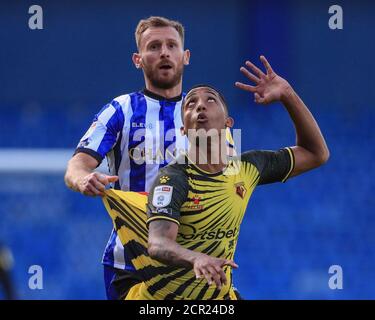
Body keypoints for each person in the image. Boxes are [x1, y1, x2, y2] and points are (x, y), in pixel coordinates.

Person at [102, 55, 329, 299]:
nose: (200, 106)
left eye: (210, 100)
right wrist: (196, 258)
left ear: (228, 123)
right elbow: (157, 244)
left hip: (217, 297)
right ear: (183, 129)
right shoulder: (173, 179)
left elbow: (316, 153)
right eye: (190, 104)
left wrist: (287, 94)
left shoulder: (247, 168)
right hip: (163, 298)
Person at [64, 16, 191, 300]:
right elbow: (76, 165)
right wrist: (83, 178)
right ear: (138, 59)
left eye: (172, 45)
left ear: (185, 56)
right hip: (130, 264)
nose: (164, 52)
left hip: (192, 263)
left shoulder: (206, 113)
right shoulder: (120, 110)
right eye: (154, 46)